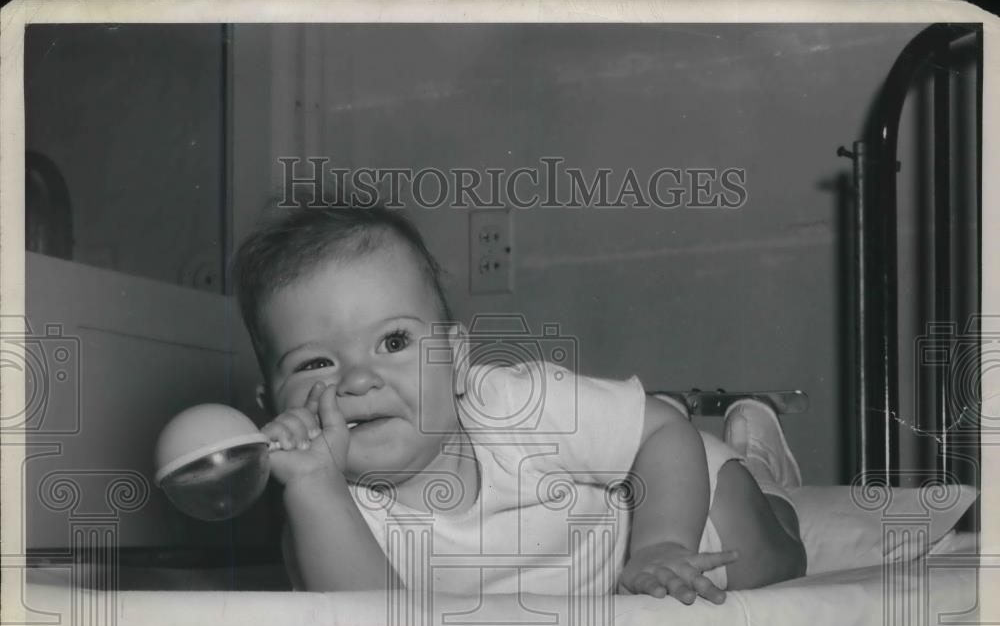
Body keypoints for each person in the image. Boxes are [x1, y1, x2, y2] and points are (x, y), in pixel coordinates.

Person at [232, 201, 806, 604]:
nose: (357, 381)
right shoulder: (324, 511)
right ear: (273, 403)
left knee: (768, 558)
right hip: (588, 579)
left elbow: (661, 431)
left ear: (458, 360)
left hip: (662, 501)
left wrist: (660, 544)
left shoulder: (514, 404)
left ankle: (761, 468)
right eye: (314, 364)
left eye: (395, 342)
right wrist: (312, 486)